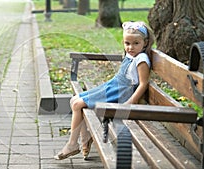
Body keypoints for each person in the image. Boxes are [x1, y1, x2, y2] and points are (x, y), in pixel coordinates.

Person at [54, 21, 155, 160]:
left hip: (120, 93)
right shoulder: (132, 55)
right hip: (113, 86)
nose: (130, 47)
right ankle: (86, 137)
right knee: (74, 100)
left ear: (145, 42)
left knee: (77, 105)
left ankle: (73, 144)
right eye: (127, 43)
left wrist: (130, 102)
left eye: (136, 43)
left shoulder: (141, 59)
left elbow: (143, 84)